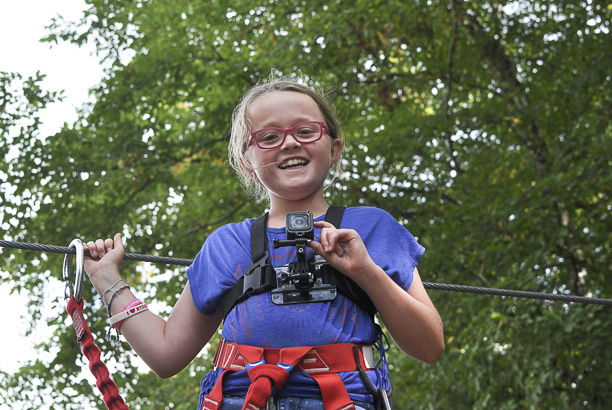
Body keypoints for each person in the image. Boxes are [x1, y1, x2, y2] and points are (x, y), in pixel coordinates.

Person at [84, 76, 444, 410]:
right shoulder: (227, 245)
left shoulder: (373, 228)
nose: (289, 142)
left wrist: (366, 272)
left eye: (305, 130)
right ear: (247, 160)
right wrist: (106, 279)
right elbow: (166, 355)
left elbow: (429, 346)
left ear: (334, 149)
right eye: (269, 137)